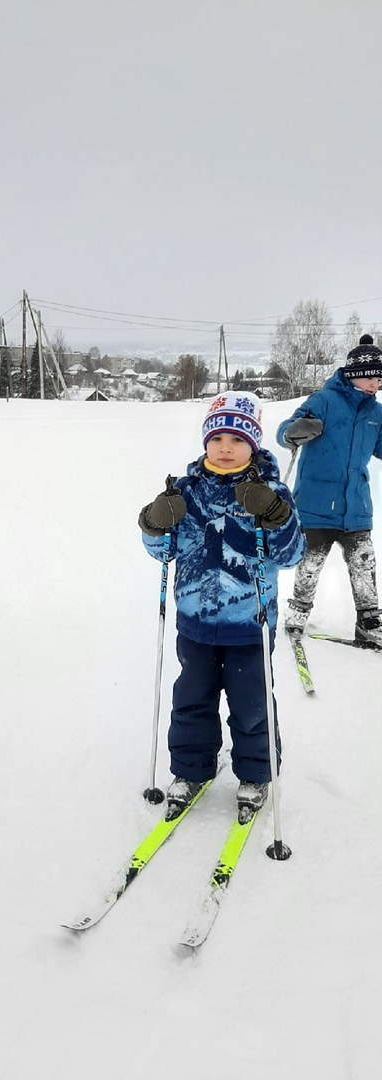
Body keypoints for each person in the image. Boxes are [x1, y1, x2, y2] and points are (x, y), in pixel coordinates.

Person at [138, 391, 305, 822]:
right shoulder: (187, 491)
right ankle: (192, 770)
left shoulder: (271, 491)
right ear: (205, 442)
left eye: (237, 439)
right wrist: (156, 523)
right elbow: (163, 551)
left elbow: (291, 555)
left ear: (253, 443)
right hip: (194, 623)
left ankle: (256, 775)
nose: (225, 448)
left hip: (250, 623)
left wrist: (276, 515)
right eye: (217, 439)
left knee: (251, 705)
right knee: (191, 699)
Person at [277, 333, 382, 646]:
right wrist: (294, 432)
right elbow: (286, 430)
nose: (377, 383)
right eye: (374, 377)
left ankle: (369, 623)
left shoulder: (375, 412)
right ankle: (297, 615)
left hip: (356, 507)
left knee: (364, 565)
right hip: (316, 504)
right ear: (356, 376)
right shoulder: (324, 401)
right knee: (310, 565)